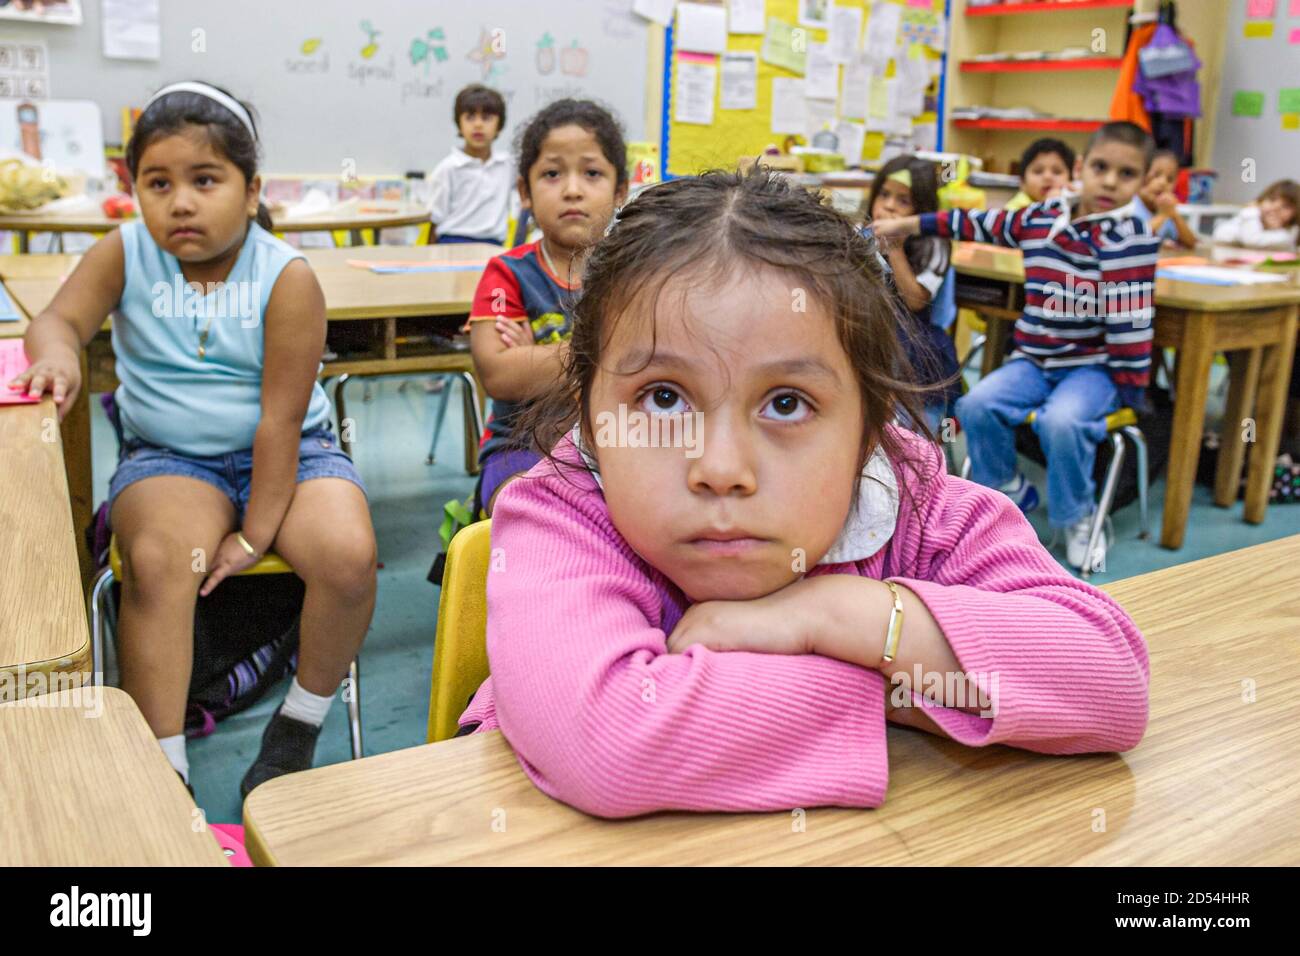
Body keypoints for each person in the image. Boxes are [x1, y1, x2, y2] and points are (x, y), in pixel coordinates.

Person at [452, 167, 1150, 819]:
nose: (721, 468)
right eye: (664, 399)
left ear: (870, 426)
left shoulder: (910, 497)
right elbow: (607, 741)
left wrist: (834, 615)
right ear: (591, 414)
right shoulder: (562, 512)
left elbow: (1108, 678)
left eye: (786, 404)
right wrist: (903, 685)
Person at [10, 82, 377, 798]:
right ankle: (165, 763)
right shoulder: (122, 253)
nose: (180, 202)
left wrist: (254, 532)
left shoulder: (286, 277)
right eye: (159, 183)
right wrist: (54, 355)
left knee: (349, 556)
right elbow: (55, 321)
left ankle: (298, 722)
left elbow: (278, 422)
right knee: (157, 561)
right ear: (134, 189)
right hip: (172, 459)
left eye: (205, 180)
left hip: (292, 452)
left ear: (250, 191)